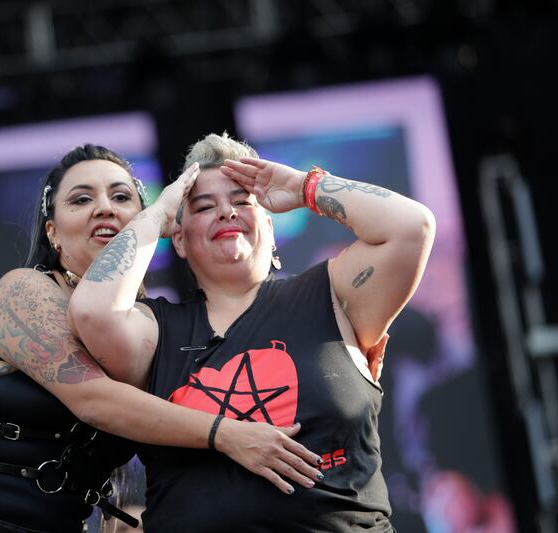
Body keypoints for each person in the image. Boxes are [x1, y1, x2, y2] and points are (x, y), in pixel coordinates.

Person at [0, 144, 322, 533]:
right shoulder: (22, 291)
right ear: (52, 232)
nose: (104, 209)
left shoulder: (147, 326)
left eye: (121, 197)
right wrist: (228, 434)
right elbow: (94, 400)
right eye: (81, 199)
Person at [69, 133, 436, 532]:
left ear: (271, 225)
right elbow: (90, 310)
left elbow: (412, 226)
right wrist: (156, 214)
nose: (226, 212)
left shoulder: (332, 295)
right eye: (204, 207)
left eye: (243, 201)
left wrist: (302, 186)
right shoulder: (156, 329)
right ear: (179, 237)